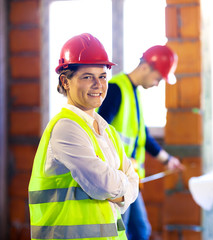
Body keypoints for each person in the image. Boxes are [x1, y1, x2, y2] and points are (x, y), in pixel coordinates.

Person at [28, 33, 139, 240]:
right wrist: (124, 186)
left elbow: (133, 182)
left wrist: (123, 187)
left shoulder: (108, 131)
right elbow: (103, 184)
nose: (98, 84)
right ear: (66, 81)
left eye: (103, 76)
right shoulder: (66, 128)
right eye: (88, 77)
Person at [98, 45, 185, 240]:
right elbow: (98, 133)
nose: (157, 84)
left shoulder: (134, 93)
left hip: (129, 179)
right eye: (158, 78)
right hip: (117, 179)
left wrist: (167, 160)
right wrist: (122, 160)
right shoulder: (116, 90)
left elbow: (143, 136)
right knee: (124, 232)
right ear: (146, 67)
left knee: (140, 231)